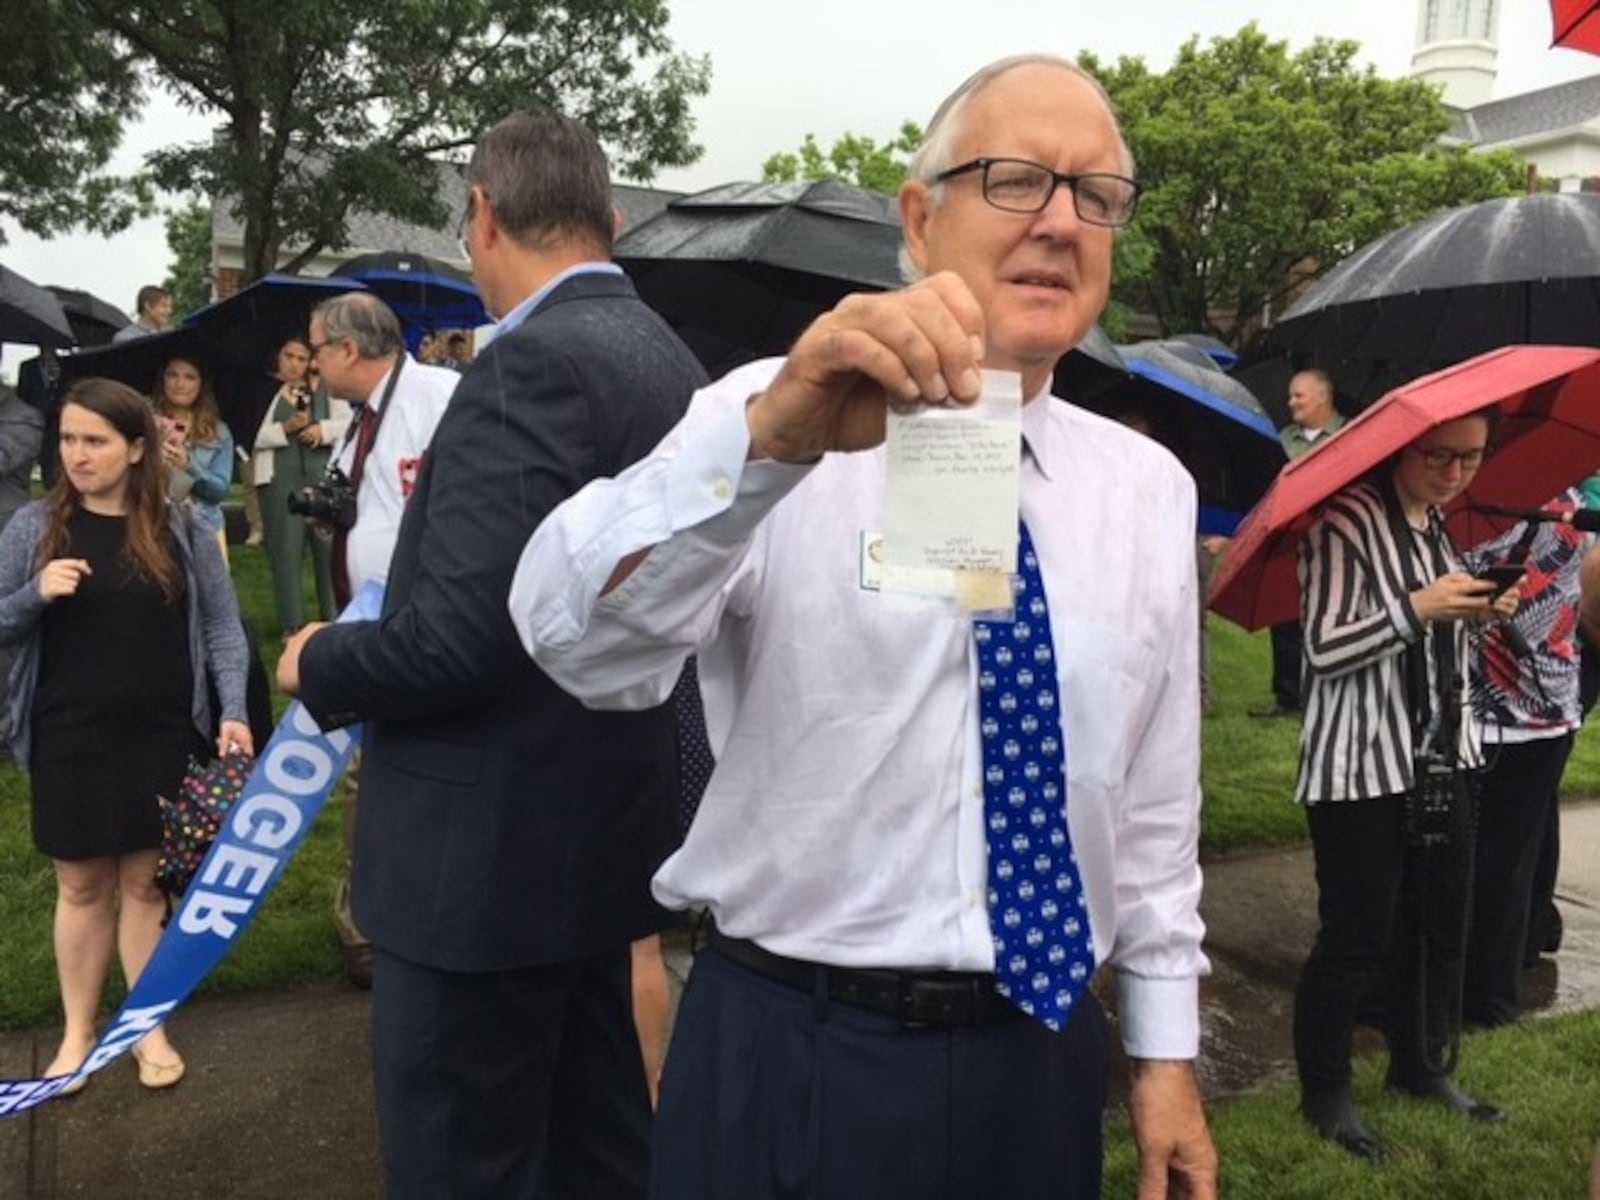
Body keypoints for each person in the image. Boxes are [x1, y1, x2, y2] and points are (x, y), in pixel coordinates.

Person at [510, 55, 1216, 1199]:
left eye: (1096, 195)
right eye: (1017, 178)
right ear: (918, 215)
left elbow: (1150, 804)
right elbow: (573, 640)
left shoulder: (1146, 487)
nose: (1058, 220)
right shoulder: (770, 415)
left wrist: (1165, 1051)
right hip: (795, 1048)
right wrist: (762, 451)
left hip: (1034, 1062)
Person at [277, 110, 706, 1199]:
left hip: (480, 875)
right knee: (597, 1150)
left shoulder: (527, 370)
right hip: (599, 839)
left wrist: (317, 660)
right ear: (607, 219)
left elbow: (464, 643)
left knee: (466, 1165)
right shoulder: (664, 354)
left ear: (480, 213)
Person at [0, 378, 252, 1094]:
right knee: (81, 884)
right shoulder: (32, 528)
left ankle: (145, 1029)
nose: (76, 455)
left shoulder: (180, 531)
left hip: (160, 732)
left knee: (145, 883)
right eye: (68, 440)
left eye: (95, 441)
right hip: (69, 732)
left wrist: (231, 709)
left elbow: (222, 630)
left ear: (136, 449)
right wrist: (34, 593)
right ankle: (78, 1033)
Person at [1292, 412, 1517, 1162]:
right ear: (1404, 447)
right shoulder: (1345, 520)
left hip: (1438, 759)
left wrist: (1479, 610)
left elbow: (1429, 641)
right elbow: (1322, 647)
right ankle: (1325, 1092)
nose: (1455, 472)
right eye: (1440, 456)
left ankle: (1417, 1066)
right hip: (1359, 764)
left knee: (1433, 923)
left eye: (1473, 458)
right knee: (1356, 937)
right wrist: (1419, 607)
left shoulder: (1435, 528)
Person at [302, 292, 457, 989]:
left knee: (393, 772)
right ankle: (372, 917)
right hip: (367, 622)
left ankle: (381, 919)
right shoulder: (358, 418)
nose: (310, 365)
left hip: (419, 627)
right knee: (375, 767)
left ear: (348, 349)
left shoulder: (437, 397)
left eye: (315, 350)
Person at [1462, 492, 1593, 1027]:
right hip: (1508, 708)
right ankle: (1480, 990)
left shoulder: (1553, 516)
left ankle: (1489, 997)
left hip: (1517, 712)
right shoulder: (1567, 509)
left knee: (1495, 866)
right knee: (1496, 863)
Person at [1253, 368, 1347, 719]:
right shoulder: (1282, 439)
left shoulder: (1348, 435)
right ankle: (1287, 695)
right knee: (1284, 613)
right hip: (1290, 536)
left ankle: (1323, 691)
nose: (1290, 402)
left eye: (1298, 396)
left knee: (1329, 611)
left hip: (1334, 537)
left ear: (1323, 398)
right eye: (1291, 395)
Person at [251, 337, 350, 633]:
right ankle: (291, 625)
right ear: (278, 358)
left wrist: (324, 430)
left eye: (302, 358)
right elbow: (251, 435)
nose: (295, 364)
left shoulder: (329, 390)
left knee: (328, 547)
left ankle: (333, 618)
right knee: (286, 548)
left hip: (321, 473)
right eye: (289, 356)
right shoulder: (263, 392)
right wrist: (284, 429)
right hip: (279, 477)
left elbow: (348, 424)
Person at [151, 355, 234, 560]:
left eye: (189, 377)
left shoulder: (219, 432)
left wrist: (189, 466)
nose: (180, 384)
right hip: (154, 527)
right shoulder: (145, 420)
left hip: (203, 527)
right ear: (162, 380)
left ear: (201, 384)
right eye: (172, 375)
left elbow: (219, 492)